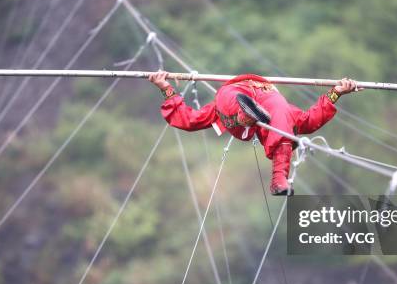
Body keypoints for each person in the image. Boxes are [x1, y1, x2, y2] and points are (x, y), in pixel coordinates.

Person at [149, 71, 360, 195]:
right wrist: (165, 87)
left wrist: (336, 93)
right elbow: (188, 119)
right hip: (237, 92)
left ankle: (279, 180)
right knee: (229, 100)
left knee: (282, 121)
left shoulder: (283, 114)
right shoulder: (279, 108)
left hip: (267, 101)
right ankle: (243, 112)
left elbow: (310, 122)